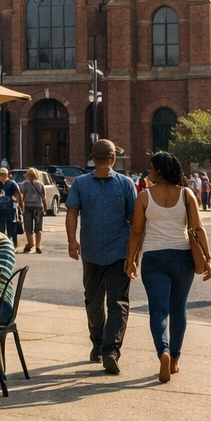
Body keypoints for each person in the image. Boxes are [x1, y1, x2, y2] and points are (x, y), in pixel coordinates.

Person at [126, 151, 211, 383]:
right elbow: (198, 228)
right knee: (178, 310)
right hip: (182, 256)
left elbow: (136, 231)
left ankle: (162, 351)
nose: (149, 172)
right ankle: (174, 359)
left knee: (157, 310)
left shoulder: (144, 197)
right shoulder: (187, 195)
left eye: (152, 168)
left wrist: (131, 259)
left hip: (154, 258)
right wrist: (208, 259)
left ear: (160, 171)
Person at [65, 138, 139, 375]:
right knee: (115, 303)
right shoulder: (125, 184)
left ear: (92, 158)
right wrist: (134, 254)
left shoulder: (82, 184)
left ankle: (105, 349)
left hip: (101, 252)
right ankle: (107, 348)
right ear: (113, 158)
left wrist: (72, 241)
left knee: (95, 301)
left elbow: (72, 214)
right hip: (106, 252)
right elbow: (135, 224)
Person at [19, 168, 47, 254]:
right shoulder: (40, 184)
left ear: (28, 175)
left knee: (28, 227)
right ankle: (38, 246)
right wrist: (45, 207)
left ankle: (30, 244)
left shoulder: (24, 184)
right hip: (38, 207)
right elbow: (44, 197)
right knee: (38, 228)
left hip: (28, 207)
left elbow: (21, 194)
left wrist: (21, 205)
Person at [0, 167, 21, 243]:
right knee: (1, 226)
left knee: (11, 226)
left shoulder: (12, 184)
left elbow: (17, 195)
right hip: (0, 208)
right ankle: (2, 242)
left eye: (4, 175)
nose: (2, 177)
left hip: (11, 208)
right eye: (1, 175)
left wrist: (18, 206)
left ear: (7, 175)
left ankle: (13, 242)